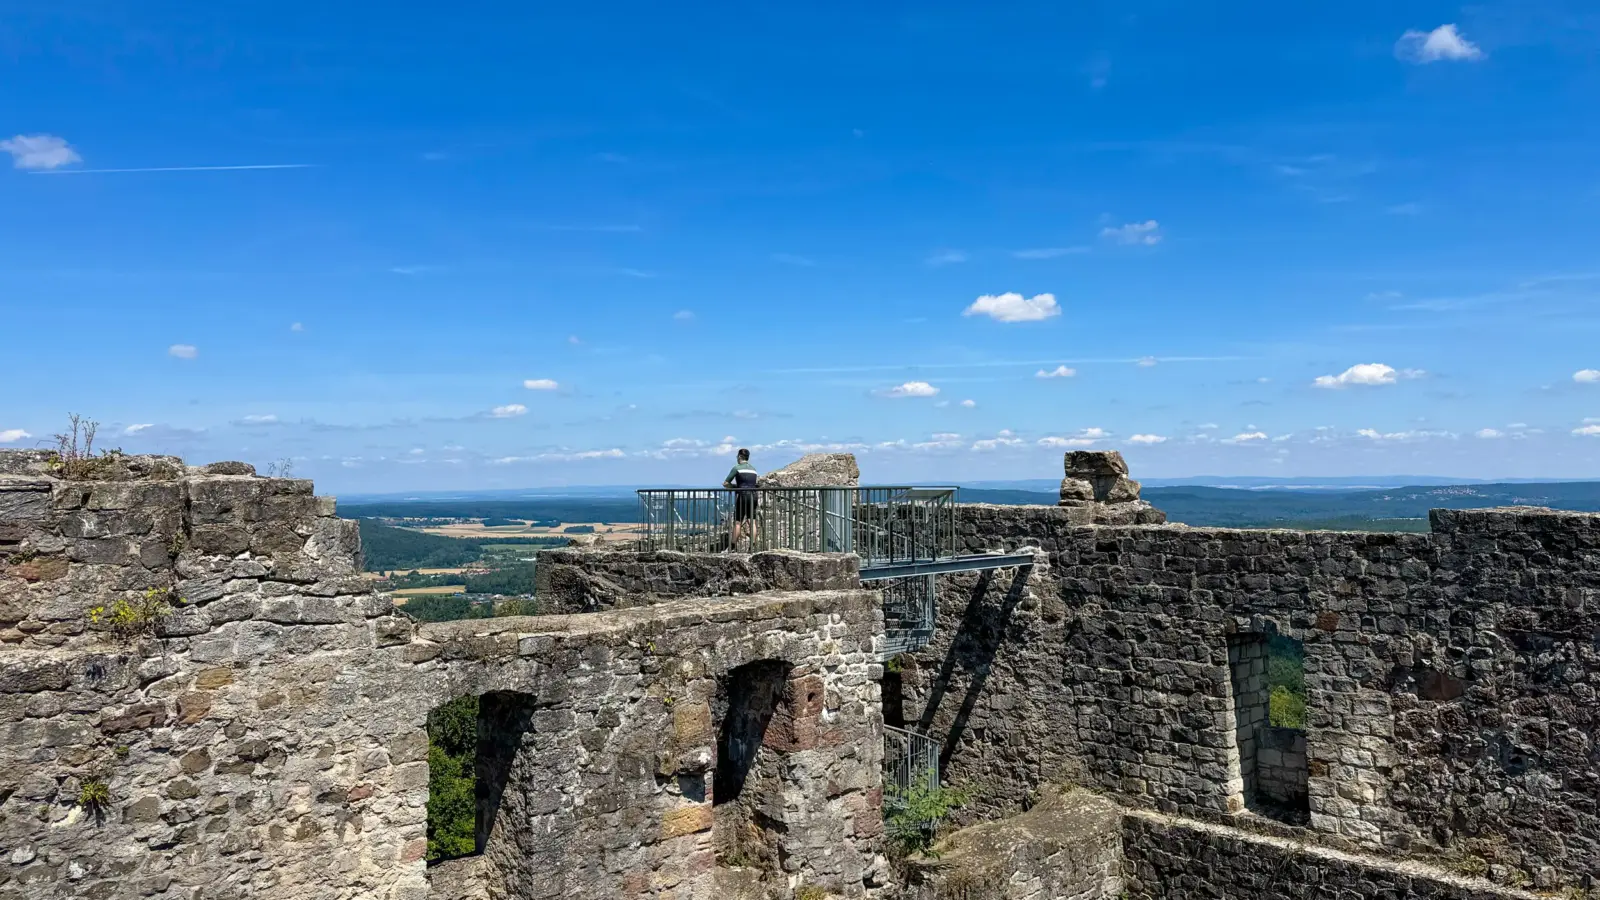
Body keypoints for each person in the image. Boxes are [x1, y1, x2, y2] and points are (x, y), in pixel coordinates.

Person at [722, 448, 760, 551]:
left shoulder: (737, 468)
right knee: (752, 521)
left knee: (738, 522)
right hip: (753, 496)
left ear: (739, 457)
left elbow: (726, 483)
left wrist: (735, 487)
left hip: (742, 496)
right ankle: (752, 546)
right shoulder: (753, 469)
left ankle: (733, 546)